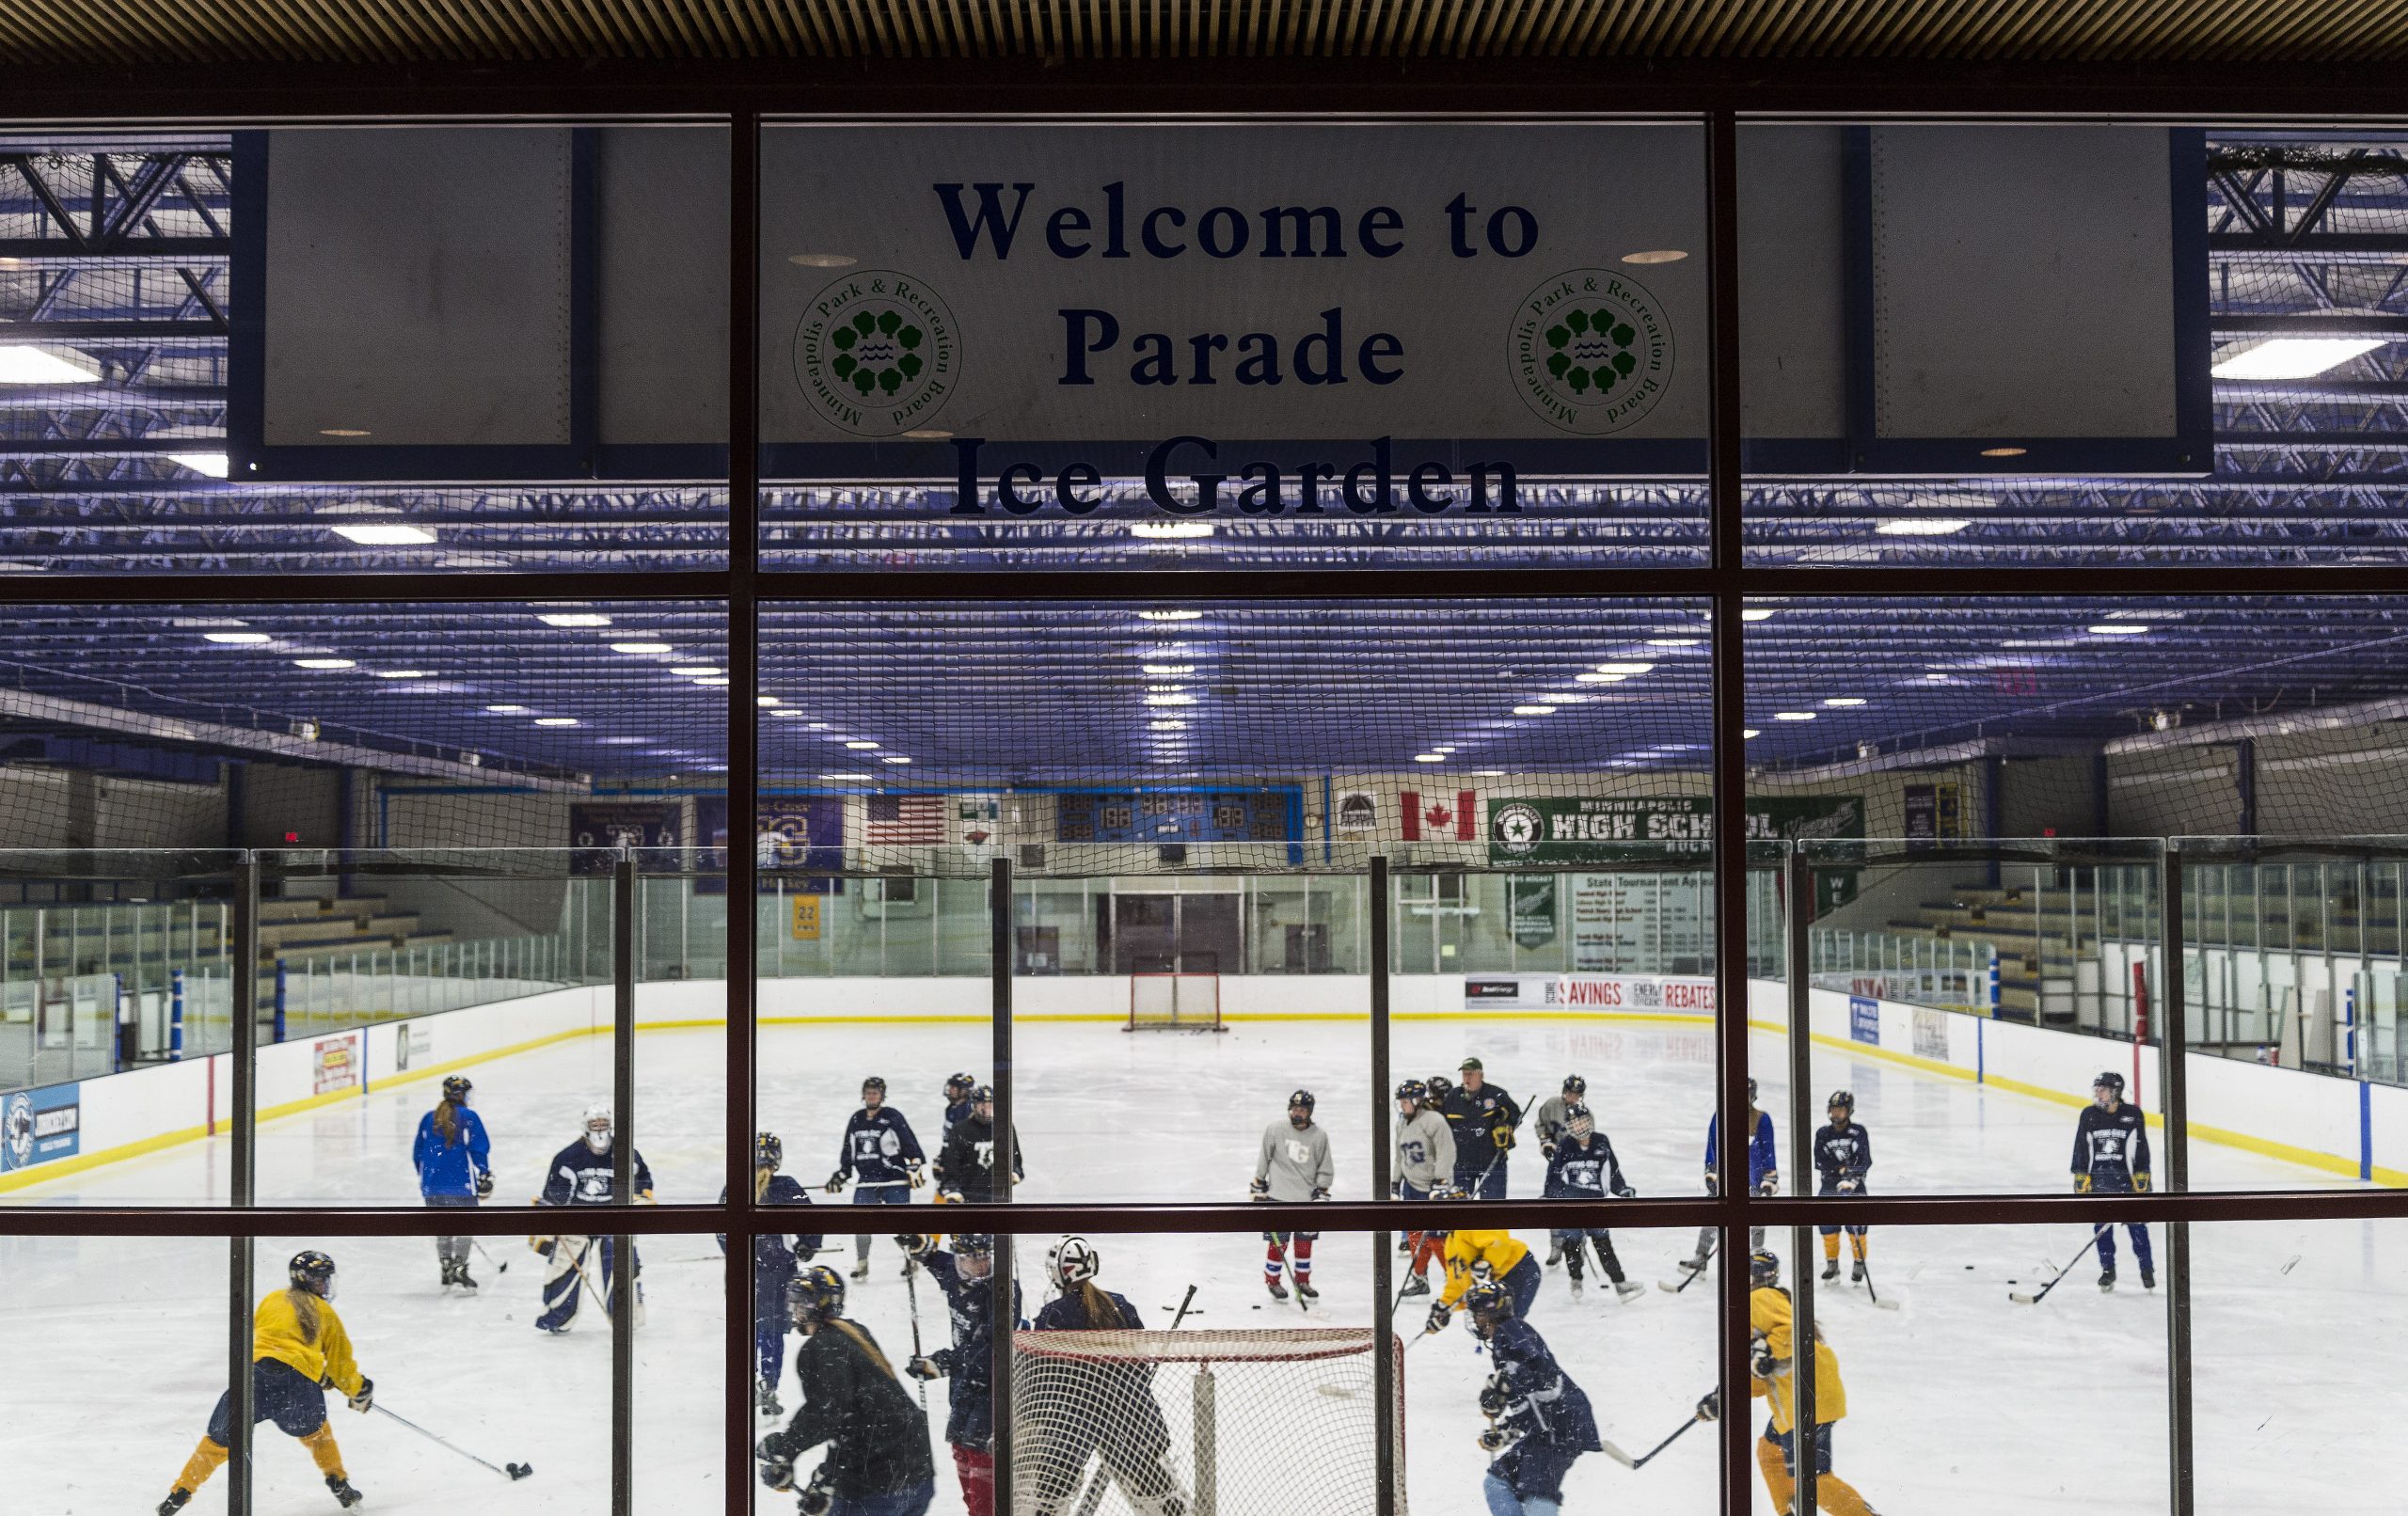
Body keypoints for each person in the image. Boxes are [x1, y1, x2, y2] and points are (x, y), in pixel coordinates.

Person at [156, 1250, 371, 1513]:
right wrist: (359, 1390)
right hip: (298, 1386)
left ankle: (179, 1493)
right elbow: (341, 1366)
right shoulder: (325, 1312)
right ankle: (339, 1482)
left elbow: (268, 1342)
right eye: (320, 1280)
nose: (324, 1286)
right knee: (317, 1434)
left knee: (218, 1442)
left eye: (326, 1280)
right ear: (303, 1278)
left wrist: (313, 1371)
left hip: (252, 1380)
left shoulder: (273, 1299)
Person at [1697, 1249, 1881, 1516]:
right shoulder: (1766, 1301)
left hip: (1806, 1400)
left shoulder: (1760, 1298)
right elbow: (1762, 1377)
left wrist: (1766, 1351)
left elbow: (1795, 1332)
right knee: (1769, 1453)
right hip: (1802, 1398)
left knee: (1815, 1481)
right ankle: (1790, 1510)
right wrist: (1725, 1398)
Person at [1022, 1238, 1189, 1516]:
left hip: (1070, 1425)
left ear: (1057, 1271)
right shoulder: (1120, 1305)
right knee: (1160, 1496)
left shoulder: (1053, 1316)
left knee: (1050, 1500)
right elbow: (1139, 1362)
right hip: (1130, 1419)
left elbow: (1041, 1379)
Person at [756, 1264, 938, 1516]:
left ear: (819, 1305)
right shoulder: (854, 1332)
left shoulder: (821, 1347)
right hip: (915, 1472)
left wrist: (785, 1448)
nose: (794, 1309)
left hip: (878, 1484)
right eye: (793, 1301)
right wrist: (827, 1481)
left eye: (801, 1302)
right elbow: (856, 1419)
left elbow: (827, 1413)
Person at [904, 1234, 1018, 1516]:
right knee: (961, 1451)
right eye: (971, 1258)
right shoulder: (954, 1276)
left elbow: (991, 1347)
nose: (980, 1266)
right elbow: (936, 1261)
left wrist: (942, 1362)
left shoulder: (1003, 1289)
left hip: (994, 1389)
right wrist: (920, 1246)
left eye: (985, 1257)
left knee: (982, 1474)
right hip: (964, 1388)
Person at [1466, 1278, 1601, 1516]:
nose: (1475, 1320)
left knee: (1536, 1492)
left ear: (1491, 1312)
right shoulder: (1503, 1342)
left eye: (1477, 1312)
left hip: (1561, 1427)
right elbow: (1530, 1403)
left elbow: (1544, 1373)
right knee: (1497, 1483)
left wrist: (1507, 1381)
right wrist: (1507, 1430)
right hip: (1545, 1429)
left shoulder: (1510, 1330)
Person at [721, 1131, 825, 1415]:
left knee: (753, 1331)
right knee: (769, 1331)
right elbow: (811, 1219)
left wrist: (807, 1243)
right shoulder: (779, 1185)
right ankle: (766, 1384)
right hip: (771, 1273)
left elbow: (721, 1230)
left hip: (754, 1273)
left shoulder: (739, 1186)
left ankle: (755, 1385)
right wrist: (808, 1245)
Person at [532, 1104, 654, 1333]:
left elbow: (643, 1183)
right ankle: (558, 1317)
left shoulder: (626, 1152)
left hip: (614, 1220)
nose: (599, 1128)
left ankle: (625, 1317)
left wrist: (640, 1201)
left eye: (603, 1123)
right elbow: (554, 1194)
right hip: (578, 1221)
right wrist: (553, 1223)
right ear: (585, 1127)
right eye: (594, 1124)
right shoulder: (568, 1156)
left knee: (623, 1269)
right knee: (564, 1268)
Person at [1541, 1102, 1644, 1302]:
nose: (1579, 1127)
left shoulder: (1601, 1141)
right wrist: (1553, 1197)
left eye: (1582, 1122)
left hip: (1596, 1204)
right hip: (1570, 1205)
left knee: (1603, 1244)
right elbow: (1553, 1176)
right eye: (1575, 1123)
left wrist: (1622, 1189)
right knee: (1571, 1244)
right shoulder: (1564, 1145)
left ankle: (1620, 1283)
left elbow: (1612, 1171)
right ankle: (1576, 1280)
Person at [1678, 1077, 1777, 1282]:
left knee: (1757, 1221)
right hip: (1727, 1181)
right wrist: (1711, 1173)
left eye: (1747, 1095)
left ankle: (1756, 1264)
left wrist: (1769, 1179)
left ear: (1753, 1096)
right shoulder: (1721, 1116)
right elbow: (1712, 1147)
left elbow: (1769, 1151)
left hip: (1754, 1181)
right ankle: (1701, 1257)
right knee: (1713, 1217)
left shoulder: (1761, 1119)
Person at [830, 1076, 928, 1280]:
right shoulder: (856, 1119)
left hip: (894, 1178)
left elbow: (911, 1146)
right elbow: (849, 1151)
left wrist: (915, 1165)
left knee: (901, 1222)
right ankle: (862, 1264)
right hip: (867, 1179)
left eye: (875, 1092)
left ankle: (911, 1260)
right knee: (860, 1222)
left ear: (882, 1095)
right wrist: (842, 1173)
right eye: (868, 1092)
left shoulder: (892, 1116)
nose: (871, 1095)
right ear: (863, 1094)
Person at [2073, 1069, 2155, 1290]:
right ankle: (2107, 1270)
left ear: (2116, 1092)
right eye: (2097, 1090)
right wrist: (2080, 1173)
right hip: (2100, 1181)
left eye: (2103, 1090)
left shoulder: (2132, 1114)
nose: (2098, 1094)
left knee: (2137, 1229)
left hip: (2128, 1181)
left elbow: (2141, 1147)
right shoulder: (2089, 1114)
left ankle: (2146, 1269)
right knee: (2102, 1230)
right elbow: (2081, 1146)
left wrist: (2142, 1174)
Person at [411, 1072, 493, 1290]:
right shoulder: (468, 1117)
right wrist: (484, 1172)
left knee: (443, 1227)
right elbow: (478, 1148)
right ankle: (459, 1266)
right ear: (460, 1094)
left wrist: (427, 1180)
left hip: (432, 1187)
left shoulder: (429, 1118)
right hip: (461, 1186)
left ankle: (446, 1268)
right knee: (465, 1226)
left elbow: (417, 1154)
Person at [1252, 1088, 1334, 1302]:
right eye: (1295, 1108)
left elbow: (1325, 1166)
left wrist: (1323, 1189)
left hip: (1306, 1200)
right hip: (1278, 1198)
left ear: (1310, 1112)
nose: (1298, 1113)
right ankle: (1273, 1281)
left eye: (1302, 1110)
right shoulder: (1275, 1129)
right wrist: (1258, 1182)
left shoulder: (1319, 1136)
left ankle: (1303, 1280)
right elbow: (1264, 1157)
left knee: (1304, 1244)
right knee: (1278, 1244)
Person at [1392, 1079, 1458, 1298]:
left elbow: (1446, 1152)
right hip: (1411, 1189)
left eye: (1404, 1102)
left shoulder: (1434, 1121)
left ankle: (1456, 1280)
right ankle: (1420, 1278)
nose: (1401, 1106)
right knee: (1414, 1236)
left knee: (1437, 1239)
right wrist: (1395, 1182)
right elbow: (1399, 1157)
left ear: (1417, 1100)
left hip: (1433, 1190)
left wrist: (1440, 1182)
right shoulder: (1402, 1123)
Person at [1426, 1228, 1540, 1335]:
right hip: (1499, 1281)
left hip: (1519, 1270)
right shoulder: (1451, 1243)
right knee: (1496, 1330)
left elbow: (1499, 1241)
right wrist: (1445, 1306)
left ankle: (1526, 1355)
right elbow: (1457, 1282)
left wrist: (1487, 1261)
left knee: (1507, 1328)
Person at [1441, 1058, 1524, 1199]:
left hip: (1493, 1163)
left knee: (1493, 1210)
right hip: (1461, 1164)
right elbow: (1441, 1125)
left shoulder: (1496, 1095)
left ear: (1481, 1075)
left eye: (1471, 1074)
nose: (1467, 1078)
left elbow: (1516, 1115)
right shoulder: (1453, 1096)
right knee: (1459, 1210)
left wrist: (1505, 1125)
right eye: (1465, 1074)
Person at [1814, 1090, 1874, 1284]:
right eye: (1833, 1109)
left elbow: (1864, 1160)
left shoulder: (1858, 1132)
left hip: (1855, 1186)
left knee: (1857, 1226)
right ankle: (1832, 1263)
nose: (1836, 1113)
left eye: (1840, 1109)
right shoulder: (1823, 1133)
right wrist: (1839, 1171)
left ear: (1849, 1111)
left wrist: (1851, 1178)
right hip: (1829, 1186)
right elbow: (1820, 1161)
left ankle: (1859, 1262)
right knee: (1827, 1225)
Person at [1529, 1075, 1587, 1265]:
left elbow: (1589, 1141)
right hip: (1555, 1166)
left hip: (1577, 1169)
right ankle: (1555, 1247)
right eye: (1570, 1092)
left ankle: (1578, 1247)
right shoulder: (1552, 1105)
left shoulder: (1584, 1114)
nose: (1572, 1097)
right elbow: (1541, 1124)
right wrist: (1546, 1142)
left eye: (1577, 1094)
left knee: (1577, 1207)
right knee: (1553, 1204)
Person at [935, 1083, 1024, 1204]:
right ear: (974, 1105)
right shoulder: (960, 1129)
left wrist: (1014, 1172)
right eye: (982, 1104)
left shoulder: (1005, 1127)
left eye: (990, 1105)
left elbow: (1014, 1158)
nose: (986, 1110)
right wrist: (953, 1189)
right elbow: (952, 1166)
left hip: (999, 1199)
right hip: (969, 1198)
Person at [940, 1072, 978, 1145]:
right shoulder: (951, 1108)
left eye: (953, 1087)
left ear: (964, 1090)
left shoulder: (970, 1110)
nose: (950, 1090)